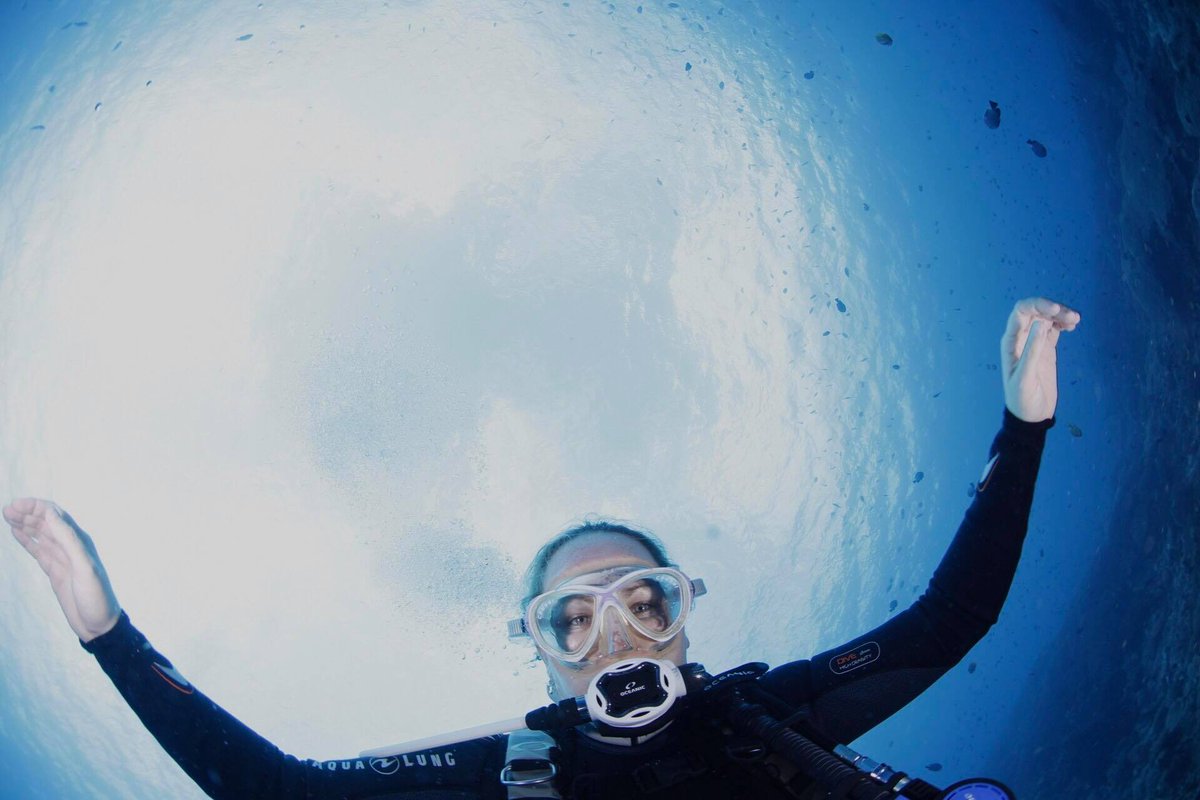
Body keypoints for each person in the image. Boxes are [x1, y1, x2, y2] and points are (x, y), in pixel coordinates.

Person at [5, 296, 1080, 799]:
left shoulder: (776, 713)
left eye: (643, 600)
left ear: (686, 610)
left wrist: (1023, 428)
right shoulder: (522, 772)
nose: (615, 633)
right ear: (541, 650)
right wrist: (110, 634)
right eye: (574, 614)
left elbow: (953, 618)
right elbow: (277, 793)